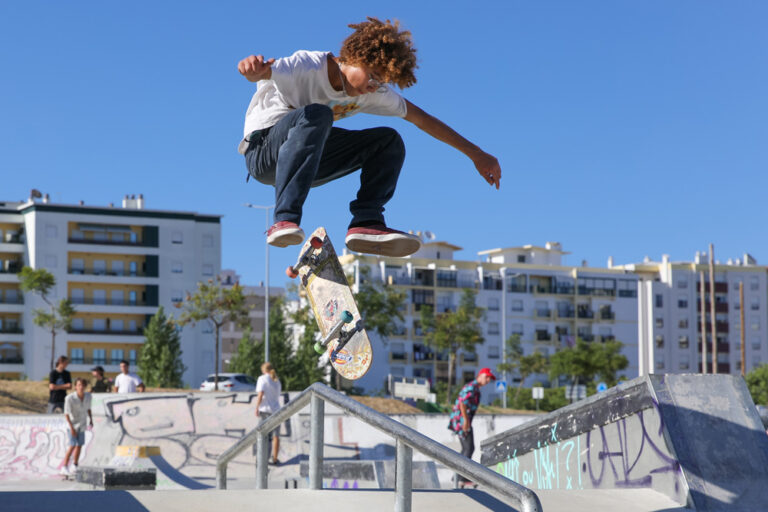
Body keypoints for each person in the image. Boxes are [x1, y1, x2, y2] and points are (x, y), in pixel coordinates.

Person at [237, 17, 501, 257]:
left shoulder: (373, 92)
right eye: (372, 76)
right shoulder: (308, 66)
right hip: (264, 152)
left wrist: (476, 154)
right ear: (352, 56)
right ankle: (284, 219)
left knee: (388, 141)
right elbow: (263, 71)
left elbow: (424, 120)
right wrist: (252, 70)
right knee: (318, 115)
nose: (372, 87)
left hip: (308, 164)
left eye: (380, 83)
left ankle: (366, 222)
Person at [448, 367, 496, 488]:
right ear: (479, 376)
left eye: (489, 378)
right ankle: (460, 478)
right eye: (486, 377)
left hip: (463, 420)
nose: (488, 380)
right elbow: (462, 403)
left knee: (466, 449)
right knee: (468, 448)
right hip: (461, 421)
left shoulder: (476, 389)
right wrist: (465, 420)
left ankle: (458, 477)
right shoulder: (472, 387)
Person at [60, 378, 93, 475]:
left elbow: (88, 408)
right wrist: (72, 428)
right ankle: (64, 466)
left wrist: (91, 419)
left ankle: (75, 465)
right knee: (72, 445)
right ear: (75, 386)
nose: (81, 387)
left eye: (83, 385)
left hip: (82, 424)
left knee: (79, 445)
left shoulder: (88, 396)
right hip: (72, 424)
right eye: (79, 385)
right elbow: (66, 414)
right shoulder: (69, 398)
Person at [255, 362, 282, 465]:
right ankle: (274, 458)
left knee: (263, 435)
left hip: (265, 411)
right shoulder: (276, 380)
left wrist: (257, 407)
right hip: (277, 411)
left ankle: (262, 458)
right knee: (276, 436)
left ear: (263, 370)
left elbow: (261, 394)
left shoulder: (262, 379)